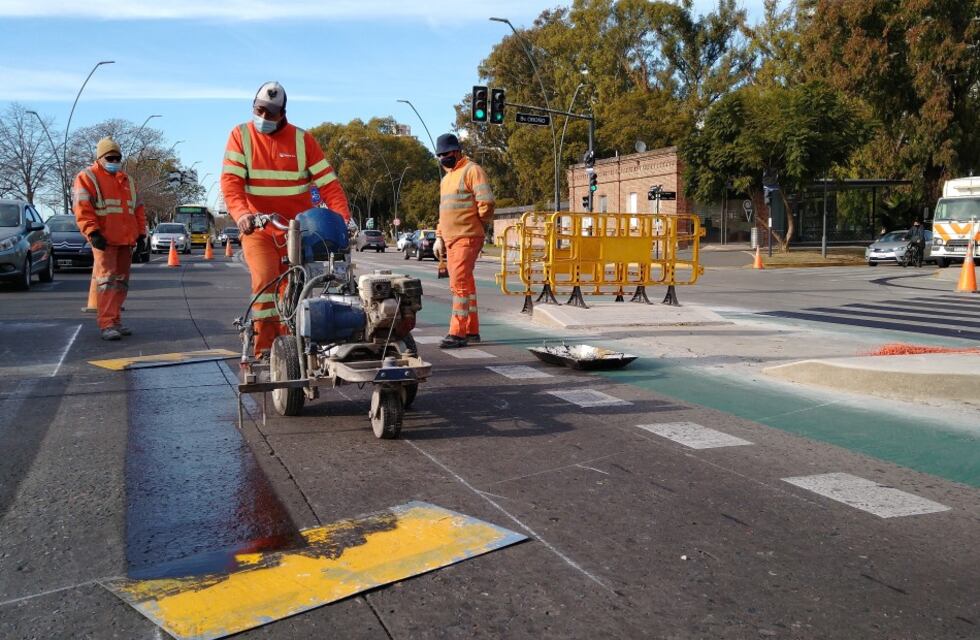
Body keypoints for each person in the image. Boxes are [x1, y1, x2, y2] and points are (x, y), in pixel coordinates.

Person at [221, 81, 351, 357]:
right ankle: (266, 347)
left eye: (271, 113)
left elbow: (329, 185)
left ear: (283, 113)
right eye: (260, 111)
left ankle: (294, 344)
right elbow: (231, 183)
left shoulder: (303, 141)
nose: (264, 118)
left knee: (298, 287)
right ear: (253, 107)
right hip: (259, 228)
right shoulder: (240, 136)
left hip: (297, 230)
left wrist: (341, 221)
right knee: (266, 282)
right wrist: (242, 214)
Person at [72, 137, 146, 341]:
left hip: (126, 240)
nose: (114, 160)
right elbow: (82, 209)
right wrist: (92, 233)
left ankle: (115, 321)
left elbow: (138, 210)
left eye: (117, 157)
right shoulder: (87, 177)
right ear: (100, 158)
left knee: (120, 283)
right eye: (110, 157)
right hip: (104, 240)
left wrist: (141, 234)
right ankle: (107, 324)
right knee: (106, 282)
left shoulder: (127, 181)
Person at [432, 133, 495, 348]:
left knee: (458, 284)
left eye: (446, 154)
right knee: (466, 284)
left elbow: (486, 202)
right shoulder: (446, 179)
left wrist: (479, 224)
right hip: (451, 239)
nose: (443, 158)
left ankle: (457, 333)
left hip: (467, 237)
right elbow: (444, 212)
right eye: (439, 155)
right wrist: (439, 237)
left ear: (457, 151)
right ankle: (471, 331)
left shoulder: (472, 171)